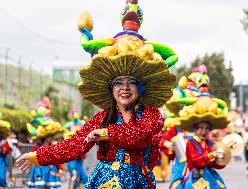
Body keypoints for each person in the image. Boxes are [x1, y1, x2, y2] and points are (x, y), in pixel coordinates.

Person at [16, 1, 177, 188]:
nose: (124, 88)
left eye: (131, 83)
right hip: (104, 181)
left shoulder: (151, 115)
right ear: (111, 88)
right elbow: (75, 145)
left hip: (138, 182)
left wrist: (104, 133)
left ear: (140, 87)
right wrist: (38, 156)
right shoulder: (103, 117)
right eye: (118, 83)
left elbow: (139, 135)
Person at [64, 108, 88, 189]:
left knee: (84, 178)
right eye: (73, 113)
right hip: (71, 154)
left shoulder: (81, 124)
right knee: (74, 176)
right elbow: (65, 136)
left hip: (79, 154)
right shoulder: (68, 126)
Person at [0, 112, 11, 188]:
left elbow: (6, 151)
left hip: (1, 160)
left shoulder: (3, 140)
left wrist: (2, 147)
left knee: (2, 177)